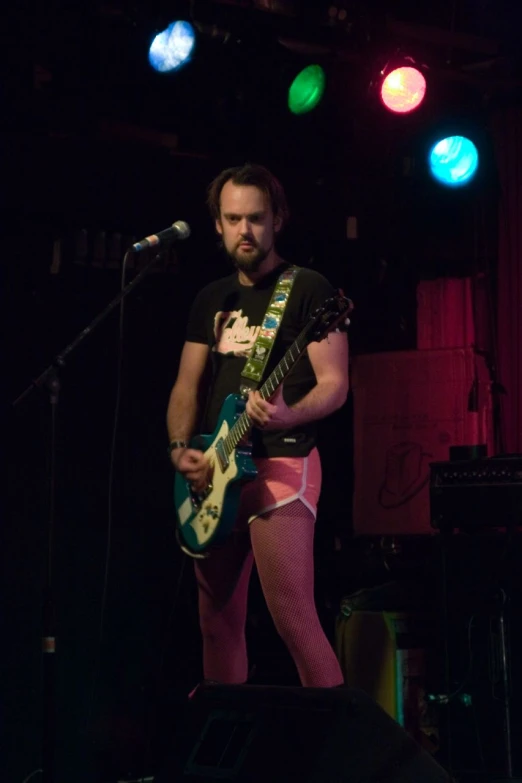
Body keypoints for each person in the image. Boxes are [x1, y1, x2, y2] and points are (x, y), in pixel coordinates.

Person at [166, 163, 348, 688]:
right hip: (217, 468)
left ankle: (338, 754)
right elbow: (186, 386)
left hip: (282, 462)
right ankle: (225, 754)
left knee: (294, 619)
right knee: (216, 626)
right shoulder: (212, 299)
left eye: (256, 218)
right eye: (233, 219)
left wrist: (292, 412)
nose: (244, 230)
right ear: (217, 225)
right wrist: (182, 448)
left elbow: (335, 384)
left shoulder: (310, 290)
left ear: (278, 220)